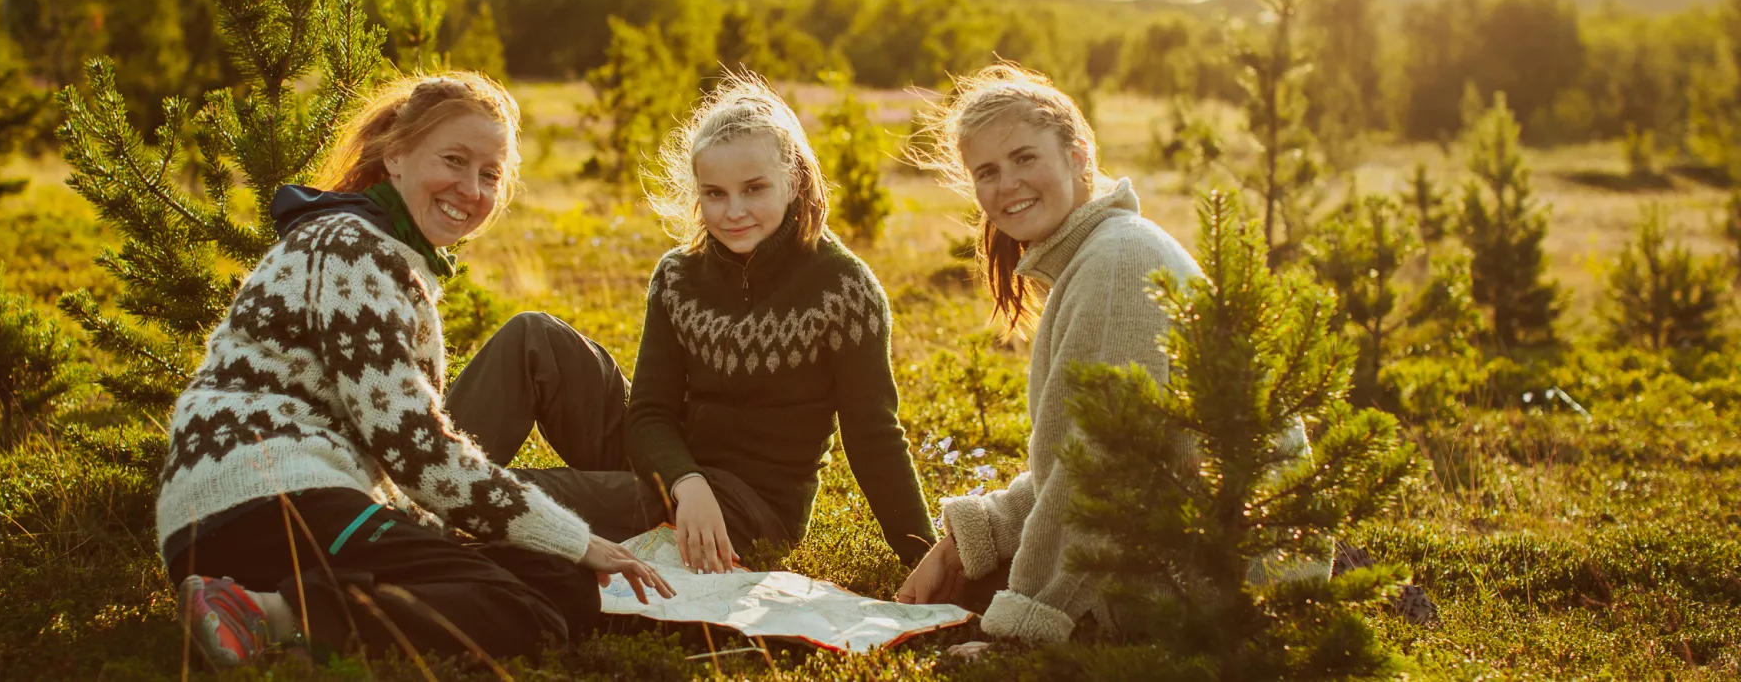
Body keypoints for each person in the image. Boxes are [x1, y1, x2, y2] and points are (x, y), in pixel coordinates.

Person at [158, 72, 672, 670]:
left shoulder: (386, 252)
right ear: (395, 156)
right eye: (453, 159)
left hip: (297, 501)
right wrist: (578, 539)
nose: (471, 189)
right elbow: (417, 450)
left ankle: (295, 623)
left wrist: (534, 549)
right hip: (261, 500)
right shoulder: (351, 248)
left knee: (561, 588)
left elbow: (390, 458)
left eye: (490, 174)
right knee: (515, 608)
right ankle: (267, 616)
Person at [894, 63, 1324, 643]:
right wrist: (966, 542)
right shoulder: (1102, 251)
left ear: (1078, 156)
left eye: (1025, 158)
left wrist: (1022, 637)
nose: (1007, 184)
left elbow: (1103, 474)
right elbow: (1075, 461)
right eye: (987, 171)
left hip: (1228, 589)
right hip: (1204, 553)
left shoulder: (1117, 265)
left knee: (995, 605)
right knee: (978, 581)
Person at [448, 73, 935, 574]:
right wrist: (685, 480)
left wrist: (926, 554)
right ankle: (408, 484)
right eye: (715, 193)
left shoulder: (843, 289)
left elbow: (874, 436)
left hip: (749, 509)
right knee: (534, 337)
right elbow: (650, 413)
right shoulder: (679, 275)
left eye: (754, 188)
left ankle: (420, 519)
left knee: (519, 494)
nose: (734, 211)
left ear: (794, 180)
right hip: (672, 473)